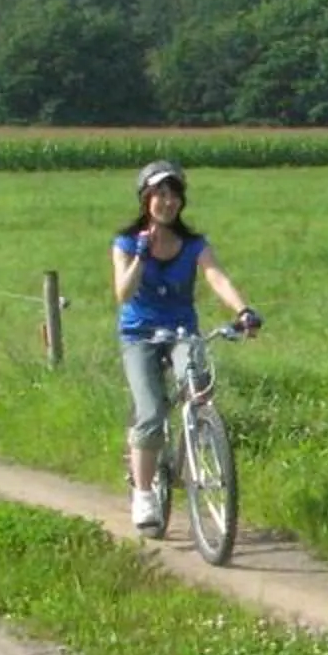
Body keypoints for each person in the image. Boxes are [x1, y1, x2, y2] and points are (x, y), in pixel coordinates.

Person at [113, 160, 259, 535]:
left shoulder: (194, 245)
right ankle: (144, 493)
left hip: (181, 332)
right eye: (159, 193)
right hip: (140, 335)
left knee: (199, 390)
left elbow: (216, 276)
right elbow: (123, 293)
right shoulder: (127, 242)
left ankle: (199, 440)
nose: (167, 201)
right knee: (150, 412)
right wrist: (142, 256)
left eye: (173, 194)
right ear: (146, 199)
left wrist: (242, 310)